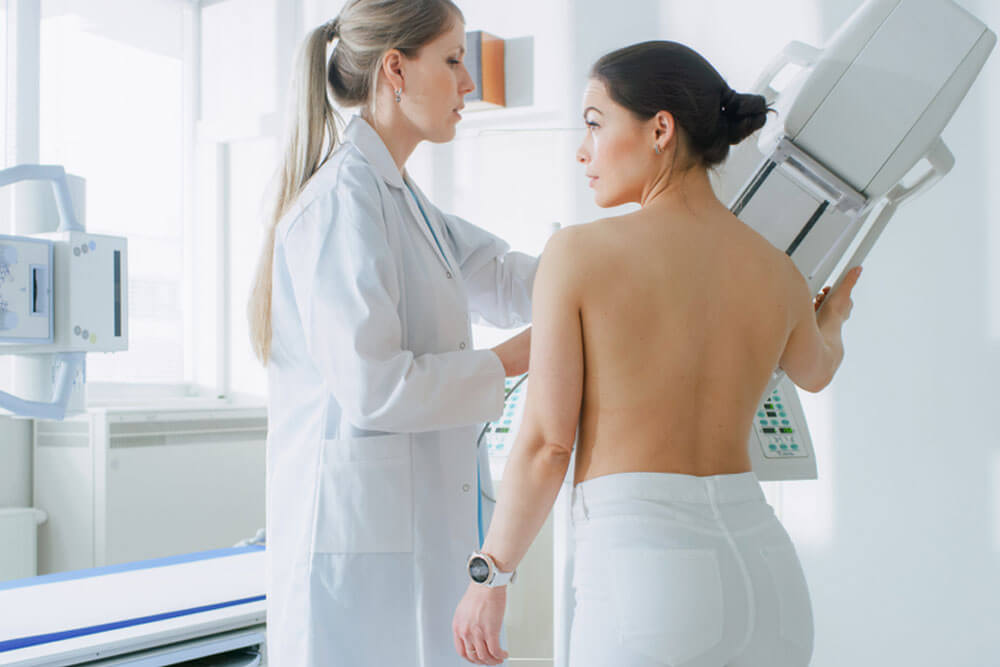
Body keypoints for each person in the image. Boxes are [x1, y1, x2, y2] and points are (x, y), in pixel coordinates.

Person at [452, 41, 863, 667]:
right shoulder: (777, 272)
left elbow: (547, 444)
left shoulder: (579, 255)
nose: (583, 150)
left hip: (648, 579)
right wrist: (829, 319)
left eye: (594, 123)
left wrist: (492, 576)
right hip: (767, 577)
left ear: (660, 130)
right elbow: (816, 370)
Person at [246, 1, 537, 664]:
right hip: (356, 577)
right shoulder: (342, 201)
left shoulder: (400, 198)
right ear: (396, 70)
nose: (469, 83)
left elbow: (501, 276)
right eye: (455, 60)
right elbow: (377, 387)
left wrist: (623, 267)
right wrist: (516, 357)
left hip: (413, 546)